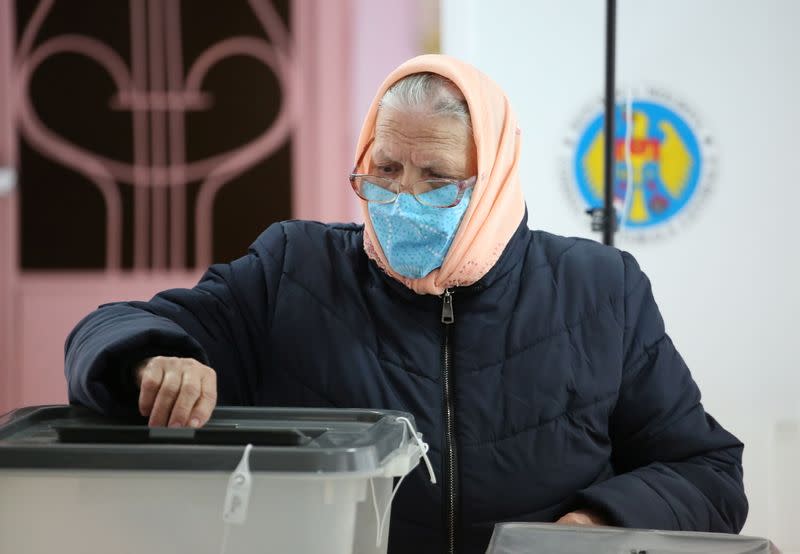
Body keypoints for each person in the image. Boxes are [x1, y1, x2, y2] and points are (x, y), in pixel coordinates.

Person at [64, 55, 748, 554]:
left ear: (495, 181)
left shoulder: (600, 290)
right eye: (385, 170)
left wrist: (596, 525)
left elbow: (708, 473)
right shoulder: (293, 270)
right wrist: (156, 357)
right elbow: (114, 327)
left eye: (438, 180)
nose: (403, 199)